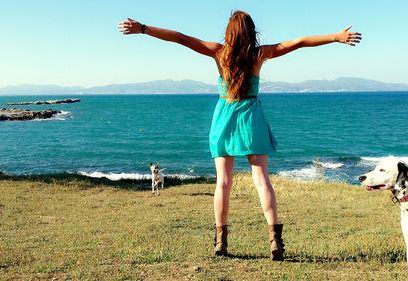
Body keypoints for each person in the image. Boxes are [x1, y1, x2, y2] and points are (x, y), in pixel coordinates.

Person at [118, 10, 361, 261]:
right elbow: (297, 42)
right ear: (251, 31)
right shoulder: (259, 54)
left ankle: (220, 242)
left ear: (229, 31)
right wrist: (335, 37)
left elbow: (180, 38)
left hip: (224, 116)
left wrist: (143, 28)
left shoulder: (218, 52)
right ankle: (274, 242)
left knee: (223, 182)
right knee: (262, 180)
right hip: (251, 117)